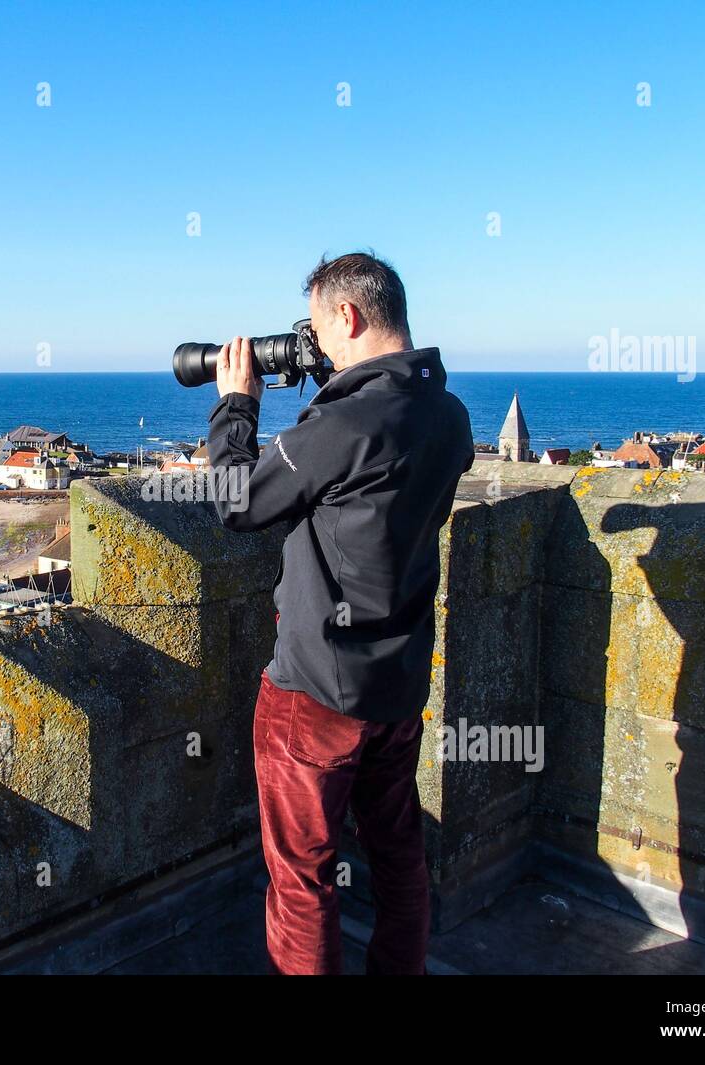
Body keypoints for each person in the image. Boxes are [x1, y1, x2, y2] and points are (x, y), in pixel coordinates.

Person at [206, 251, 475, 975]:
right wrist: (335, 379)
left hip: (316, 694)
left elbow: (238, 502)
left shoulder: (342, 425)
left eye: (322, 332)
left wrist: (237, 403)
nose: (318, 346)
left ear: (349, 317)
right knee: (397, 861)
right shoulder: (449, 417)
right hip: (398, 687)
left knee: (302, 881)